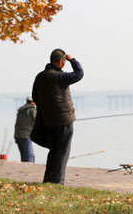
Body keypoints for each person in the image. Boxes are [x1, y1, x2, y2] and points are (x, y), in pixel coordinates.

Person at [32, 48, 84, 184]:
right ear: (61, 61)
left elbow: (34, 97)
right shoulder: (59, 77)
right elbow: (79, 73)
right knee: (62, 151)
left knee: (53, 150)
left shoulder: (40, 77)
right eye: (64, 62)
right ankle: (58, 181)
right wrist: (72, 59)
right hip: (64, 120)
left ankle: (48, 179)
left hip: (48, 121)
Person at [14, 96, 37, 163]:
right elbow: (37, 122)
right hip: (26, 136)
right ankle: (30, 171)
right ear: (32, 102)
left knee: (24, 155)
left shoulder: (21, 110)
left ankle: (24, 168)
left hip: (18, 135)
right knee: (29, 156)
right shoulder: (32, 110)